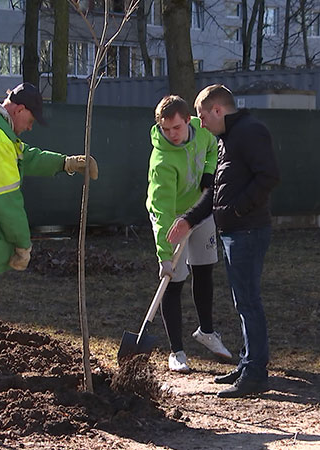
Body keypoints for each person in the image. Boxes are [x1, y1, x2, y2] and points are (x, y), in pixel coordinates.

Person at [0, 82, 98, 391]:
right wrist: (23, 245)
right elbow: (7, 203)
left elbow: (23, 157)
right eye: (31, 120)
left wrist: (64, 163)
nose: (30, 127)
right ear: (19, 109)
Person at [168, 84, 280, 397]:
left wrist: (236, 210)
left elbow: (269, 176)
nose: (199, 123)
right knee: (242, 301)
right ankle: (247, 365)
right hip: (234, 232)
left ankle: (256, 373)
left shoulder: (250, 132)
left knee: (248, 301)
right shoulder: (226, 139)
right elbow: (216, 194)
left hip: (248, 231)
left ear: (218, 110)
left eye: (202, 116)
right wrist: (189, 219)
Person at [146, 95, 232, 374]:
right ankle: (177, 351)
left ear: (187, 121)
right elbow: (161, 212)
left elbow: (212, 148)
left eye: (177, 128)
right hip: (172, 218)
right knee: (174, 280)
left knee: (205, 269)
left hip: (200, 209)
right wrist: (164, 256)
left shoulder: (202, 129)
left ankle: (207, 332)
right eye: (166, 129)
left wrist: (209, 171)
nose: (171, 134)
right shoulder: (162, 162)